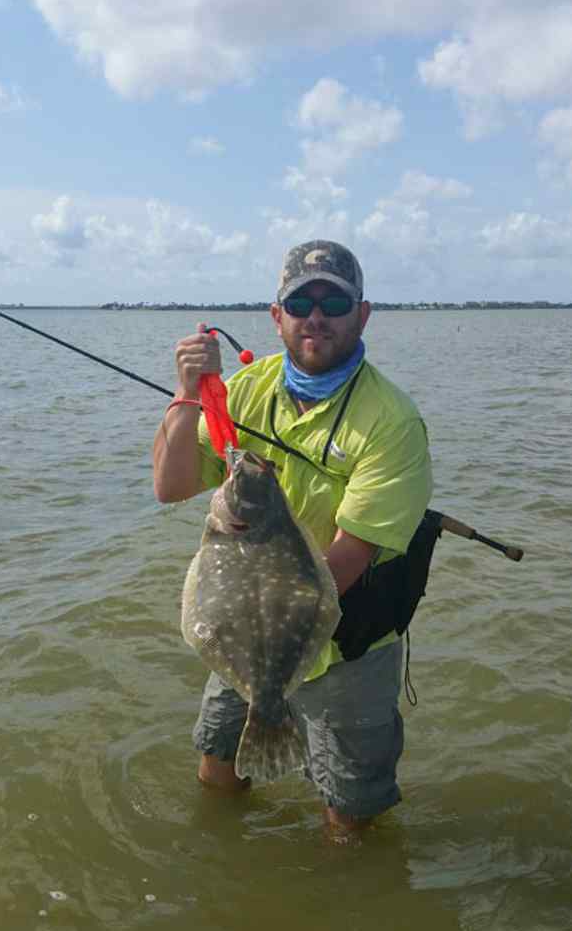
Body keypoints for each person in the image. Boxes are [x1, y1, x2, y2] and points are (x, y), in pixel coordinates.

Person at [153, 240, 433, 835]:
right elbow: (172, 486)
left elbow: (349, 558)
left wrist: (275, 637)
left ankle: (346, 904)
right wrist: (184, 394)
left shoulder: (391, 422)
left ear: (362, 314)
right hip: (253, 631)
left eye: (334, 301)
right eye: (300, 301)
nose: (317, 315)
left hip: (344, 643)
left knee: (349, 815)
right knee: (216, 771)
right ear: (277, 316)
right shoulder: (246, 390)